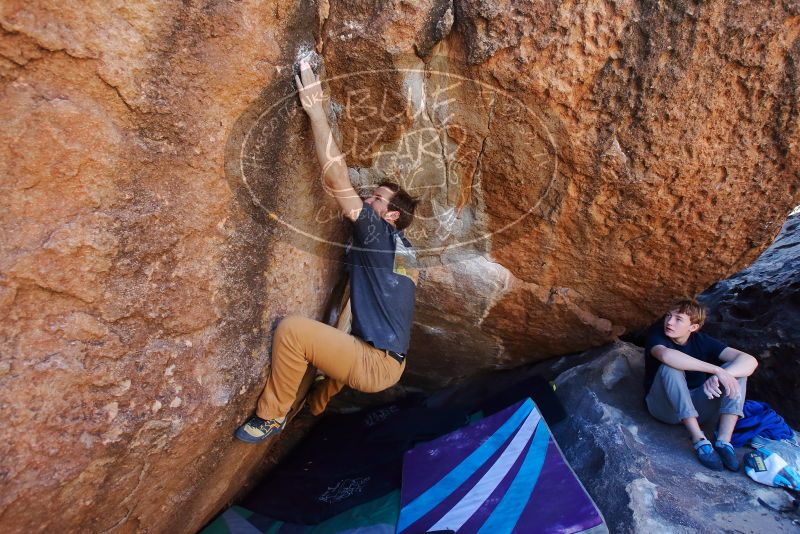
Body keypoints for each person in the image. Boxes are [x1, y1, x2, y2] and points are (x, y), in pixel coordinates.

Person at [235, 59, 419, 443]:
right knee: (338, 357)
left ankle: (273, 416)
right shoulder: (405, 252)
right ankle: (316, 406)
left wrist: (316, 111)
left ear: (392, 215)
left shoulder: (376, 233)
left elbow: (336, 178)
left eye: (378, 199)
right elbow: (361, 297)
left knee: (293, 333)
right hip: (385, 359)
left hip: (375, 363)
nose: (369, 201)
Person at [643, 299, 758, 471]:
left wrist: (724, 375)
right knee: (670, 367)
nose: (669, 322)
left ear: (693, 327)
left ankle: (724, 442)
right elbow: (666, 356)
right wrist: (716, 371)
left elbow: (750, 361)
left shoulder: (702, 340)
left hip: (698, 407)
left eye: (678, 319)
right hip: (664, 408)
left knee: (736, 374)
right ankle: (699, 440)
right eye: (668, 316)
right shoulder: (656, 335)